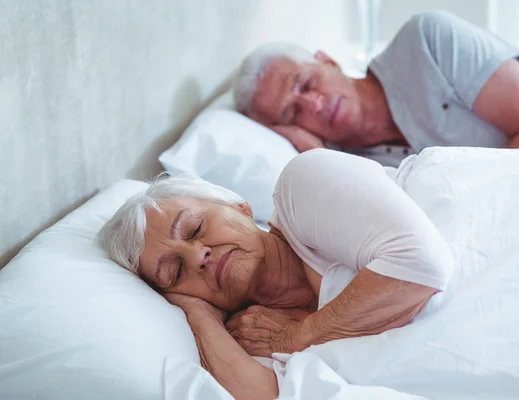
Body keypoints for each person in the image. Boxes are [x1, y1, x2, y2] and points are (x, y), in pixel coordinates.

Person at [98, 149, 455, 399]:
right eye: (175, 272)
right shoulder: (252, 331)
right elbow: (262, 396)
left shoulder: (303, 186)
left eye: (194, 229)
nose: (199, 257)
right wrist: (198, 315)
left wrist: (298, 337)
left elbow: (422, 263)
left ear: (240, 208)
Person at [233, 11, 519, 167]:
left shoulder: (426, 40)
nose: (314, 105)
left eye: (306, 83)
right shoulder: (348, 167)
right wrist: (321, 161)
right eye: (293, 113)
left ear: (328, 60)